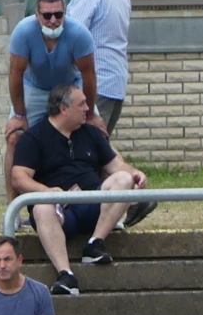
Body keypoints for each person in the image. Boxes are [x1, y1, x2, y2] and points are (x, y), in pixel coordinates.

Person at [9, 83, 151, 297]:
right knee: (41, 207)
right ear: (63, 109)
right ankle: (65, 275)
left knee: (123, 178)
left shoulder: (91, 133)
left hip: (94, 204)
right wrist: (46, 191)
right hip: (62, 211)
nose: (87, 109)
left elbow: (117, 166)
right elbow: (18, 177)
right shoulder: (34, 137)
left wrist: (135, 173)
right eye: (82, 104)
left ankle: (95, 244)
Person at [6, 0, 97, 198]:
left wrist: (90, 113)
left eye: (58, 15)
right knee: (14, 138)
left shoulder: (79, 33)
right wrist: (19, 115)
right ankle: (13, 208)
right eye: (47, 15)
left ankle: (103, 200)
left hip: (70, 86)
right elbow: (15, 73)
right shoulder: (23, 32)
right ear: (37, 15)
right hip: (35, 88)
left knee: (97, 134)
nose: (53, 21)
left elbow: (89, 75)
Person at [67, 0, 132, 136]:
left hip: (96, 83)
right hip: (116, 79)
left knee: (86, 141)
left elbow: (70, 36)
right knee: (100, 142)